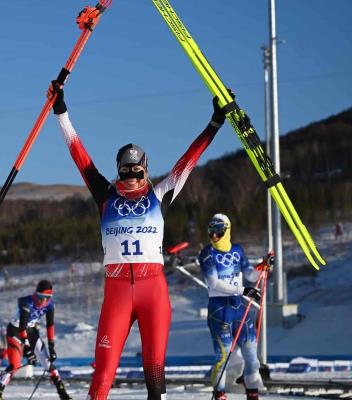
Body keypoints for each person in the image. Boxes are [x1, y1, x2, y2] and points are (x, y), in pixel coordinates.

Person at [49, 81, 227, 400]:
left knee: (155, 375)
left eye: (137, 171)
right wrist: (60, 111)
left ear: (146, 170)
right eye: (125, 171)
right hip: (117, 290)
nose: (131, 177)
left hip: (152, 291)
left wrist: (214, 124)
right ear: (118, 171)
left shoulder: (159, 195)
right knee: (102, 375)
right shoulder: (105, 194)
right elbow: (80, 155)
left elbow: (189, 160)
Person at [198, 214, 272, 400]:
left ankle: (251, 388)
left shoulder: (237, 250)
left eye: (218, 232)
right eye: (211, 232)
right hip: (219, 310)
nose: (214, 236)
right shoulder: (207, 253)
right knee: (222, 356)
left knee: (251, 356)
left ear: (227, 231)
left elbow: (250, 275)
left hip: (239, 308)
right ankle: (220, 393)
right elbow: (213, 283)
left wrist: (262, 266)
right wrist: (242, 290)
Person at [0, 280, 71, 400]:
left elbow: (50, 325)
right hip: (15, 330)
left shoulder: (50, 305)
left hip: (30, 331)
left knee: (48, 363)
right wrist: (28, 349)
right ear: (36, 294)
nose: (43, 301)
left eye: (47, 298)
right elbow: (22, 327)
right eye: (40, 297)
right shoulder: (26, 302)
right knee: (15, 365)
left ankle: (63, 394)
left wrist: (51, 346)